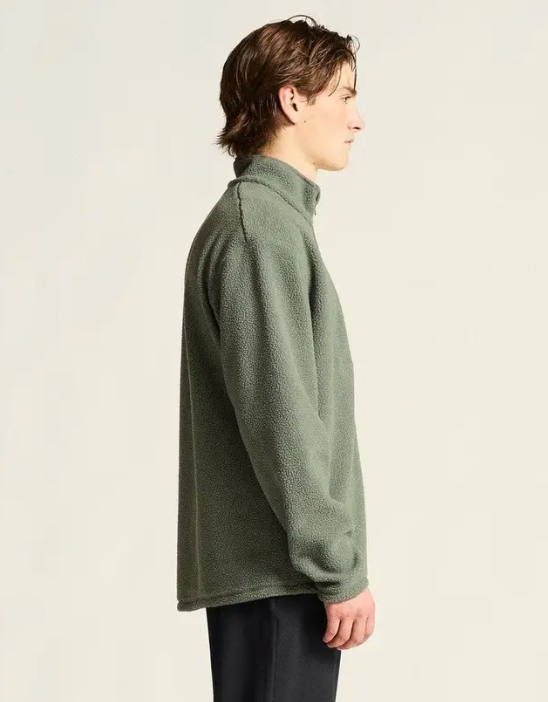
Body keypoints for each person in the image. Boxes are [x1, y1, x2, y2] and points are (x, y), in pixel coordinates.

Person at [176, 14, 376, 702]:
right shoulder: (259, 228)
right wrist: (336, 566)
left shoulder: (271, 222)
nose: (357, 118)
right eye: (343, 95)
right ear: (293, 100)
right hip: (280, 575)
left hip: (281, 572)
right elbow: (281, 416)